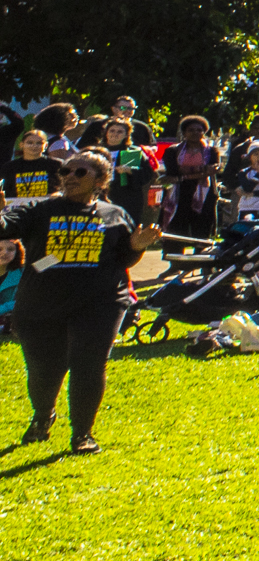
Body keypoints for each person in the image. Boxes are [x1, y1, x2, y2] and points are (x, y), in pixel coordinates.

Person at [0, 150, 158, 453]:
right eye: (65, 172)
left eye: (79, 172)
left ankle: (82, 434)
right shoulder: (39, 210)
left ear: (100, 179)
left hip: (100, 303)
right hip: (42, 304)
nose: (69, 177)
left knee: (89, 364)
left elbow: (122, 258)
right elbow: (6, 226)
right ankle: (43, 415)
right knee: (44, 371)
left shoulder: (114, 214)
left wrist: (137, 247)